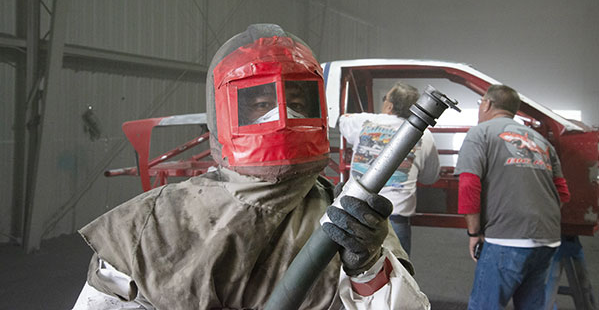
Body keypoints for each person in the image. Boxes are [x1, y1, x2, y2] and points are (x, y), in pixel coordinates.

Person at [72, 24, 431, 310]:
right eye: (261, 104)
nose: (283, 115)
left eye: (297, 101)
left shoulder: (349, 222)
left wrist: (367, 268)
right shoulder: (150, 225)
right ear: (224, 110)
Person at [455, 84, 571, 310]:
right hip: (547, 238)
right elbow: (563, 193)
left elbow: (469, 185)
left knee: (485, 305)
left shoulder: (480, 133)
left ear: (487, 104)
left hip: (506, 239)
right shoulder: (541, 141)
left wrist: (474, 233)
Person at [338, 82, 440, 255]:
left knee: (349, 266)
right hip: (395, 217)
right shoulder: (425, 135)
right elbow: (430, 176)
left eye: (385, 98)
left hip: (356, 212)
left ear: (389, 106)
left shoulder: (363, 121)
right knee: (397, 269)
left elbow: (341, 120)